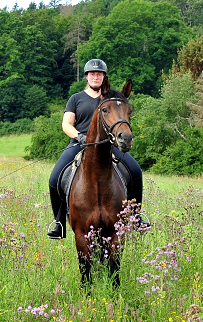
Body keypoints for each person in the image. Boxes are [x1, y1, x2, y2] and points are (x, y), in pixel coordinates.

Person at [47, 58, 147, 239]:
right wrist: (79, 136)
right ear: (86, 76)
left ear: (103, 77)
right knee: (55, 177)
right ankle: (59, 222)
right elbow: (66, 124)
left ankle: (136, 216)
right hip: (79, 143)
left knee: (135, 171)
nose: (96, 77)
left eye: (99, 74)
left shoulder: (110, 97)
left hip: (106, 145)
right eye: (92, 74)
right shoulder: (76, 98)